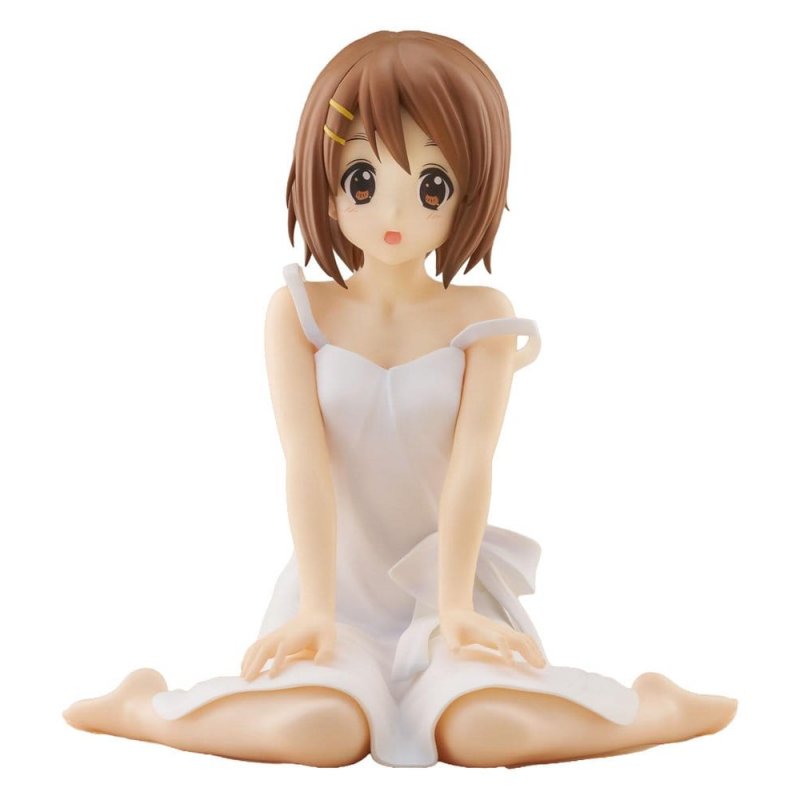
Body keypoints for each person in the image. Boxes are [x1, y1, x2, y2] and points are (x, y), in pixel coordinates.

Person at [63, 29, 737, 768]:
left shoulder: (482, 317)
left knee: (482, 731)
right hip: (334, 594)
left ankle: (655, 708)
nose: (395, 212)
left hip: (442, 595)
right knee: (321, 731)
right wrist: (315, 608)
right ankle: (144, 708)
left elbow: (472, 466)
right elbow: (304, 462)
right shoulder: (300, 312)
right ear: (324, 181)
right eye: (362, 179)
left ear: (467, 194)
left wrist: (455, 608)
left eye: (431, 186)